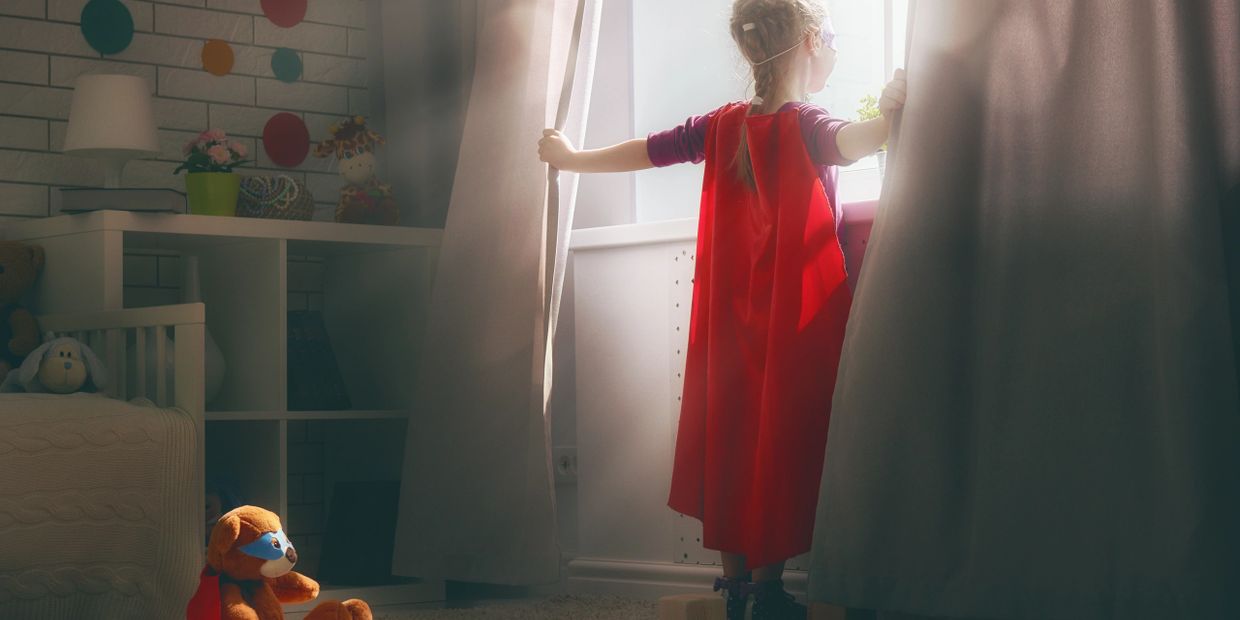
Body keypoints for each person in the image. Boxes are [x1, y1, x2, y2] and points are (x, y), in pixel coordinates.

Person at [539, 1, 904, 617]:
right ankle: (766, 588)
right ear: (813, 41)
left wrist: (571, 159)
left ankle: (735, 586)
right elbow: (855, 142)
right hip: (791, 324)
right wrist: (893, 108)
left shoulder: (723, 125)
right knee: (782, 443)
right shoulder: (806, 122)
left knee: (732, 438)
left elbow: (645, 151)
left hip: (728, 325)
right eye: (834, 38)